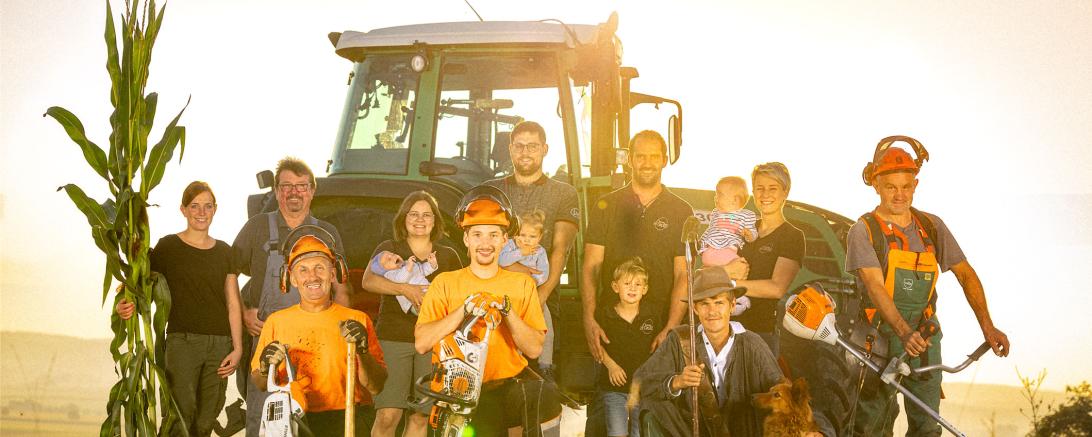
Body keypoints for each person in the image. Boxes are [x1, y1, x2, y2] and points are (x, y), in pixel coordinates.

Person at [847, 141, 1010, 436]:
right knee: (872, 426)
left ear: (916, 184)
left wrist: (988, 327)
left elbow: (966, 275)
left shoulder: (932, 226)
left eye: (906, 186)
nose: (899, 195)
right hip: (878, 337)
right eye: (890, 187)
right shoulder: (864, 230)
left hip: (924, 336)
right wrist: (902, 331)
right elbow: (874, 285)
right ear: (876, 185)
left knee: (927, 426)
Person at [414, 185, 551, 436]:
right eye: (477, 234)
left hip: (503, 395)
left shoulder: (521, 284)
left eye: (493, 235)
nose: (485, 243)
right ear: (466, 239)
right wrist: (463, 311)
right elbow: (422, 343)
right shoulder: (444, 283)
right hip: (454, 395)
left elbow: (534, 348)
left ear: (504, 240)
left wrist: (508, 312)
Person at [231, 157, 351, 437]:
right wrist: (244, 312)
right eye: (286, 186)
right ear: (276, 191)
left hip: (316, 343)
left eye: (301, 186)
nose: (294, 192)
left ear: (312, 190)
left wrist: (340, 334)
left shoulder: (326, 233)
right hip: (269, 343)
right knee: (264, 420)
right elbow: (228, 277)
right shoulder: (257, 227)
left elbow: (342, 289)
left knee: (313, 421)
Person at [116, 181, 243, 437]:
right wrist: (123, 303)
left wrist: (238, 348)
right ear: (183, 210)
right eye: (194, 206)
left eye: (207, 206)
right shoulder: (168, 247)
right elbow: (138, 282)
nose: (201, 212)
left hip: (220, 345)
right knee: (180, 418)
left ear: (215, 209)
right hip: (182, 343)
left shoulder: (225, 251)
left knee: (206, 420)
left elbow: (233, 302)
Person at [250, 226, 387, 436]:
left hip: (348, 419)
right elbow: (260, 383)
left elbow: (376, 387)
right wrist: (264, 366)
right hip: (295, 420)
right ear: (291, 279)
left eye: (320, 268)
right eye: (303, 269)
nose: (312, 276)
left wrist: (363, 351)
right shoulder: (276, 322)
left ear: (333, 274)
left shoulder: (357, 320)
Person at [633, 267, 784, 437]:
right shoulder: (680, 340)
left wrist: (815, 430)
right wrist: (676, 382)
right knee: (652, 408)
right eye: (704, 304)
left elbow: (786, 394)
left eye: (719, 302)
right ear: (695, 309)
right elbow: (640, 381)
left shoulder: (753, 344)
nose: (712, 312)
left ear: (732, 305)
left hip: (742, 433)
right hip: (690, 433)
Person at [361, 191, 463, 437]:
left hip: (433, 343)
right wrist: (404, 289)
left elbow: (461, 297)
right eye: (414, 214)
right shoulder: (389, 249)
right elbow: (367, 281)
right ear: (403, 218)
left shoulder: (447, 255)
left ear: (436, 221)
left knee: (421, 416)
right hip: (393, 338)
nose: (420, 219)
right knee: (388, 414)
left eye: (427, 214)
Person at [484, 120, 580, 380]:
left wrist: (543, 294)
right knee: (497, 377)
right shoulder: (492, 189)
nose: (525, 152)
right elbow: (482, 244)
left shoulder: (563, 193)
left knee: (537, 380)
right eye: (519, 146)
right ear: (510, 149)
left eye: (533, 146)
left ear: (545, 149)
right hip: (496, 295)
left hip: (539, 294)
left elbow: (562, 248)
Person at [718, 162, 805, 355]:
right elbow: (711, 268)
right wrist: (722, 272)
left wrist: (729, 281)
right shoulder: (742, 229)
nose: (765, 195)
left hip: (760, 335)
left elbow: (776, 288)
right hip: (723, 331)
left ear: (785, 192)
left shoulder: (792, 236)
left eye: (772, 188)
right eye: (759, 188)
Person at [594, 258, 659, 437]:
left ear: (645, 289)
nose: (633, 288)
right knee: (616, 433)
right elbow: (595, 343)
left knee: (640, 433)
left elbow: (660, 348)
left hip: (643, 388)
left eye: (638, 284)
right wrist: (610, 365)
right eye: (627, 283)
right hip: (614, 387)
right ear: (615, 287)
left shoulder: (652, 314)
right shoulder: (605, 314)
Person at [699, 176, 758, 316]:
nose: (715, 197)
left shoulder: (745, 215)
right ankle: (729, 298)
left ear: (735, 200)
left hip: (726, 251)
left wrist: (749, 235)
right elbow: (710, 230)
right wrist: (702, 244)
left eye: (719, 194)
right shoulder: (716, 213)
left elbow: (753, 232)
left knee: (736, 270)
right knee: (731, 271)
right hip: (712, 250)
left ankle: (734, 299)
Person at [371, 250, 437, 314]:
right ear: (384, 269)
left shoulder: (407, 264)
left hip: (428, 290)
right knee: (427, 309)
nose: (393, 257)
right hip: (413, 301)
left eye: (393, 254)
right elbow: (401, 279)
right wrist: (409, 267)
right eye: (389, 259)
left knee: (438, 293)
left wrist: (432, 264)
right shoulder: (390, 274)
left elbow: (422, 270)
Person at [498, 209, 549, 287]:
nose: (527, 240)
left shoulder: (540, 251)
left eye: (532, 236)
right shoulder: (510, 244)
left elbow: (543, 272)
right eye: (522, 235)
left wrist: (534, 280)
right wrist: (520, 252)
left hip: (526, 286)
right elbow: (501, 261)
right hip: (506, 284)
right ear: (516, 233)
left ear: (540, 237)